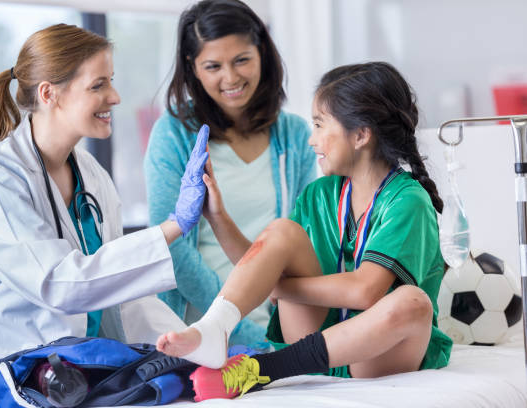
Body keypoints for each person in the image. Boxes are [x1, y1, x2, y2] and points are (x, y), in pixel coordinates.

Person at [0, 24, 210, 407]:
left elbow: (119, 293)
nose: (115, 97)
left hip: (61, 380)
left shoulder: (91, 174)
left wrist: (199, 344)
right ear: (49, 93)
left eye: (112, 82)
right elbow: (60, 284)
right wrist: (173, 227)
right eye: (98, 85)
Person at [157, 62, 453, 401]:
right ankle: (215, 328)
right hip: (313, 338)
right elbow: (255, 267)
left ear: (361, 134)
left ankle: (264, 369)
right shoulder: (320, 193)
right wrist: (217, 215)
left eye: (318, 124)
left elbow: (365, 292)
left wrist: (277, 286)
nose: (311, 139)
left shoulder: (407, 200)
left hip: (376, 357)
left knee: (414, 303)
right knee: (282, 231)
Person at [144, 0, 316, 348]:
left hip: (280, 324)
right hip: (201, 325)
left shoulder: (295, 135)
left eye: (242, 60)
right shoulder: (174, 133)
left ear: (262, 53)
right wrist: (233, 324)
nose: (231, 78)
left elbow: (303, 241)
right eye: (213, 66)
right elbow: (171, 247)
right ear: (192, 68)